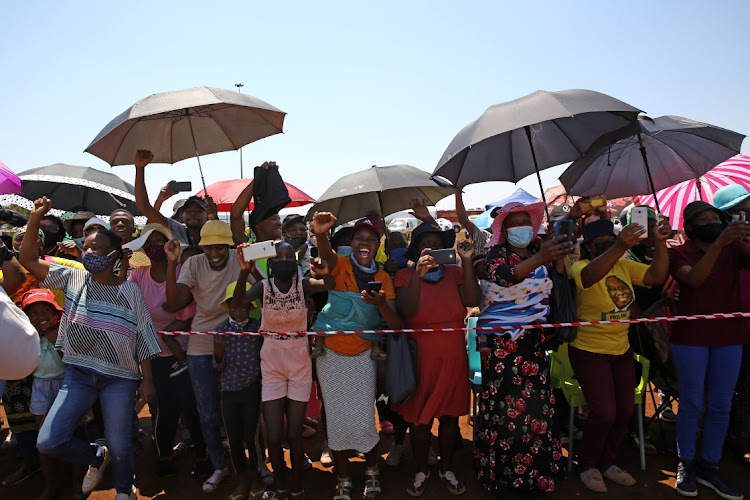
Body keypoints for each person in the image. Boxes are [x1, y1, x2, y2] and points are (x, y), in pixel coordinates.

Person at [22, 196, 160, 500]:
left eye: (95, 249)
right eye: (86, 247)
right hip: (80, 374)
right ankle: (98, 456)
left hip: (120, 378)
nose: (88, 252)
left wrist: (147, 379)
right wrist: (35, 218)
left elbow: (144, 335)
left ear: (113, 254)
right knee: (48, 441)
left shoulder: (130, 291)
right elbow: (28, 260)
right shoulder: (73, 277)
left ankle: (125, 490)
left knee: (121, 442)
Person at [474, 202, 570, 497]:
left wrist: (555, 257)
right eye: (514, 223)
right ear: (503, 230)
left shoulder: (541, 250)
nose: (521, 228)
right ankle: (505, 476)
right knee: (507, 412)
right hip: (504, 347)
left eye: (525, 222)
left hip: (534, 344)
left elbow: (557, 284)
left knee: (537, 409)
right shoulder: (496, 254)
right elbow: (503, 278)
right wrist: (542, 256)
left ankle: (537, 473)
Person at [568, 217, 670, 493]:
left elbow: (655, 277)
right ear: (587, 247)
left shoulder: (625, 265)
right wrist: (618, 247)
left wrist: (660, 243)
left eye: (609, 240)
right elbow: (589, 278)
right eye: (599, 242)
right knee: (604, 412)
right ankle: (588, 465)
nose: (606, 245)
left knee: (625, 410)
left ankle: (608, 462)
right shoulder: (579, 266)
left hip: (621, 350)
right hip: (589, 352)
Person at [311, 213, 403, 500]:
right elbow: (325, 256)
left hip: (364, 355)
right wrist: (321, 234)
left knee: (364, 417)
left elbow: (396, 324)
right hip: (330, 357)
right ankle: (343, 478)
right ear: (350, 244)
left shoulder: (382, 277)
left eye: (371, 239)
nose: (364, 243)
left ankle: (371, 471)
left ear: (378, 245)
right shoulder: (339, 266)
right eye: (359, 238)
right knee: (336, 419)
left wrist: (379, 306)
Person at [233, 241, 333, 499]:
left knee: (294, 434)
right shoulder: (263, 287)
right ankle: (281, 486)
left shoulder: (304, 285)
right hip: (272, 361)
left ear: (295, 261)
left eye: (290, 256)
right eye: (280, 257)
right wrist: (244, 270)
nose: (285, 260)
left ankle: (297, 487)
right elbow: (239, 303)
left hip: (299, 359)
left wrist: (324, 273)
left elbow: (330, 285)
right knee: (275, 436)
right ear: (271, 262)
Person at [668, 200, 750, 499]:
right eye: (703, 219)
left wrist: (740, 239)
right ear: (689, 228)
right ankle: (686, 463)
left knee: (721, 405)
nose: (712, 222)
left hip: (729, 337)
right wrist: (720, 244)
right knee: (692, 403)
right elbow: (694, 279)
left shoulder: (735, 248)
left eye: (716, 217)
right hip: (690, 339)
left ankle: (710, 465)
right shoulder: (678, 252)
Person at [393, 223, 481, 496]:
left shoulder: (455, 272)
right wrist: (418, 275)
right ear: (416, 250)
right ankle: (422, 469)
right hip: (420, 358)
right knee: (419, 422)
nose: (429, 246)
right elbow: (407, 311)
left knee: (450, 419)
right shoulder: (405, 275)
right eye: (423, 243)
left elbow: (473, 299)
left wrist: (466, 262)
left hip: (453, 356)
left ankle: (447, 468)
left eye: (435, 242)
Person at [164, 219, 248, 493]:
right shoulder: (193, 264)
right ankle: (218, 466)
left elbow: (259, 288)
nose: (214, 253)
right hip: (201, 342)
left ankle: (249, 464)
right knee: (208, 413)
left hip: (235, 338)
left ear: (228, 245)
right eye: (209, 248)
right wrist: (171, 263)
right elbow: (175, 303)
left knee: (242, 409)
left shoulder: (240, 258)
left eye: (220, 248)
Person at [126, 224, 209, 479]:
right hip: (154, 354)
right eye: (148, 243)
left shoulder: (184, 271)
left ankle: (203, 456)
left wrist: (184, 320)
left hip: (185, 350)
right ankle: (164, 456)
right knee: (165, 409)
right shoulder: (138, 275)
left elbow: (194, 303)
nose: (153, 247)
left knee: (190, 405)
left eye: (158, 241)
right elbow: (129, 305)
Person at [22, 288, 78, 500]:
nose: (40, 317)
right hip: (40, 386)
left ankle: (76, 483)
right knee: (42, 438)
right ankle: (50, 485)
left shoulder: (63, 331)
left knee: (70, 433)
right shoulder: (28, 336)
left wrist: (56, 339)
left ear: (55, 311)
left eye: (45, 310)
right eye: (34, 313)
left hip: (66, 383)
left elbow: (71, 360)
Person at [213, 282, 265, 500]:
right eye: (234, 307)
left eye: (244, 307)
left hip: (252, 389)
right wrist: (218, 352)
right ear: (228, 308)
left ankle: (255, 476)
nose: (239, 311)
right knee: (234, 438)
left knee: (250, 437)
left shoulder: (257, 328)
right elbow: (217, 366)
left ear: (251, 307)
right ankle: (242, 479)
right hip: (229, 391)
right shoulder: (221, 331)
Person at [714, 184, 750, 467]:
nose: (744, 216)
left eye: (747, 209)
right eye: (737, 212)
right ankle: (736, 439)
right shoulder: (717, 248)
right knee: (727, 390)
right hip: (726, 331)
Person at [134, 149, 219, 246]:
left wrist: (215, 218)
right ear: (183, 215)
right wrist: (140, 169)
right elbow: (144, 208)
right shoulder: (177, 230)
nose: (192, 213)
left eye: (198, 210)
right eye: (188, 210)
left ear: (207, 215)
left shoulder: (216, 234)